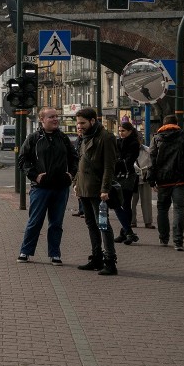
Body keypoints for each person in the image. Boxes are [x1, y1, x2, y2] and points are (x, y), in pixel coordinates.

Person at [16, 107, 79, 265]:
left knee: (56, 223)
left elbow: (74, 158)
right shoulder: (33, 138)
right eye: (51, 117)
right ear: (42, 120)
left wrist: (70, 174)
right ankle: (25, 251)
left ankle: (55, 254)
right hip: (41, 188)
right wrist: (35, 176)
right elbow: (22, 161)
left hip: (61, 188)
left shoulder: (63, 138)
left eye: (56, 116)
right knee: (35, 221)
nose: (55, 119)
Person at [74, 107, 119, 275]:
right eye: (78, 123)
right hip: (84, 188)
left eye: (82, 123)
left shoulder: (106, 137)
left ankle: (110, 261)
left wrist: (105, 189)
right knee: (91, 224)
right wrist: (76, 183)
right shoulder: (84, 138)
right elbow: (79, 163)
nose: (79, 126)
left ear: (93, 121)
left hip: (98, 190)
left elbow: (109, 166)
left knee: (103, 225)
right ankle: (96, 257)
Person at [148, 114, 184, 251]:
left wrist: (151, 180)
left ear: (163, 124)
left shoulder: (157, 138)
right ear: (177, 123)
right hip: (181, 179)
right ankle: (178, 241)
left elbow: (151, 160)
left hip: (163, 179)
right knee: (179, 208)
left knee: (162, 209)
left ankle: (164, 238)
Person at [113, 122, 141, 245]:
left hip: (128, 176)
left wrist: (118, 162)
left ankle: (125, 232)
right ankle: (126, 232)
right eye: (119, 131)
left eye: (123, 130)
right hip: (118, 175)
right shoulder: (118, 142)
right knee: (120, 204)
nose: (121, 133)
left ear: (130, 131)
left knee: (126, 204)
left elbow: (128, 161)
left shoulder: (134, 143)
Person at [131, 141, 155, 229]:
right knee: (132, 201)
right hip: (132, 178)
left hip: (145, 178)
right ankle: (132, 221)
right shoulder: (128, 149)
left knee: (147, 201)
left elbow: (151, 163)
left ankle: (148, 222)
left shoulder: (147, 150)